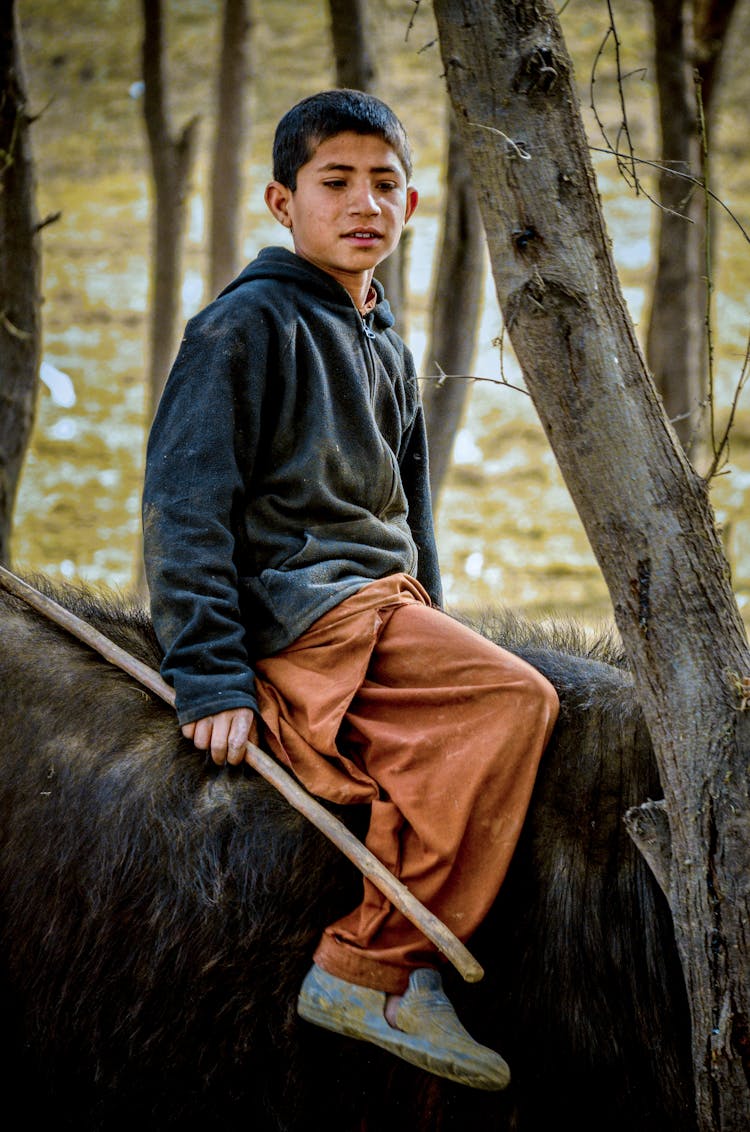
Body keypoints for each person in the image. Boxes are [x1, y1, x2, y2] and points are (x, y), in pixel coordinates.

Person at [142, 89, 559, 1091]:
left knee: (480, 710)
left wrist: (436, 624)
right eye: (337, 182)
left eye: (385, 184)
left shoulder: (384, 341)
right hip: (305, 612)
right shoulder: (242, 327)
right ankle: (369, 962)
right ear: (285, 201)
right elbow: (185, 505)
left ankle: (406, 975)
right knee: (521, 697)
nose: (364, 203)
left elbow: (409, 521)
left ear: (409, 208)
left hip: (383, 606)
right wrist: (209, 681)